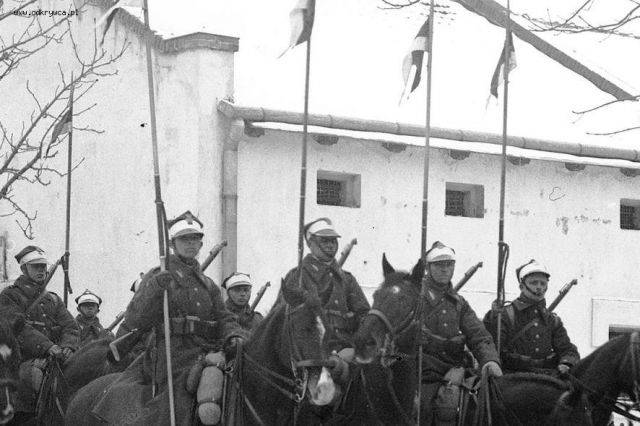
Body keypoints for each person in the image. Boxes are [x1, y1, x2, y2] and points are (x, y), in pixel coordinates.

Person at [92, 211, 245, 425]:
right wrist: (154, 289)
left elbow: (224, 317)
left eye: (195, 239)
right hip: (172, 353)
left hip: (207, 349)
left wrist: (234, 334)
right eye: (184, 239)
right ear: (172, 244)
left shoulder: (208, 284)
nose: (190, 243)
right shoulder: (158, 276)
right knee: (183, 390)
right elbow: (136, 318)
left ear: (201, 245)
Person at [419, 241, 502, 426]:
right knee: (422, 408)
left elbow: (479, 336)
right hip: (421, 368)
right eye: (439, 265)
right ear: (427, 267)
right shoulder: (414, 298)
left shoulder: (459, 303)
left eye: (449, 264)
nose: (444, 269)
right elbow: (395, 343)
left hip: (454, 368)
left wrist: (490, 360)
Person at [0, 245, 79, 413]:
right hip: (20, 358)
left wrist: (68, 345)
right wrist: (47, 346)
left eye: (43, 266)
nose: (41, 270)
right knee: (27, 379)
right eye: (36, 266)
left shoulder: (53, 299)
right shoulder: (9, 296)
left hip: (55, 357)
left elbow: (71, 326)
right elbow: (17, 327)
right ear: (24, 269)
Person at [280, 217, 370, 354]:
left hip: (346, 349)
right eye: (324, 241)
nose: (330, 245)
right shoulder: (297, 276)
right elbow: (284, 318)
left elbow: (363, 314)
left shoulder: (346, 279)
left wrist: (355, 349)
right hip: (311, 351)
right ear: (310, 243)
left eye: (333, 240)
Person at [483, 259, 579, 375]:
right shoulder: (505, 315)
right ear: (522, 287)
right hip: (513, 376)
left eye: (543, 283)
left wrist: (566, 363)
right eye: (534, 283)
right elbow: (491, 346)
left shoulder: (552, 320)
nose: (539, 287)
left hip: (547, 375)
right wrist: (493, 317)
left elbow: (567, 349)